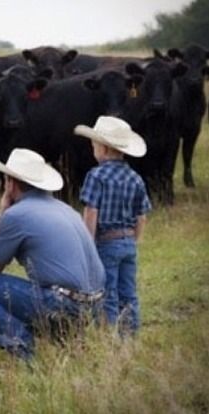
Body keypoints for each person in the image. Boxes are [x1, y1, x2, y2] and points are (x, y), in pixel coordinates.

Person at [0, 148, 105, 361]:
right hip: (95, 305)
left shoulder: (16, 215)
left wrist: (2, 214)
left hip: (62, 302)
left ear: (11, 183)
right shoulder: (67, 209)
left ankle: (22, 348)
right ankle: (69, 342)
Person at [75, 116, 152, 335]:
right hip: (128, 242)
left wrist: (88, 244)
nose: (93, 150)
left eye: (94, 145)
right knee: (128, 293)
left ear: (104, 148)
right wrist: (133, 240)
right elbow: (141, 215)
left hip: (105, 242)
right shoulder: (135, 178)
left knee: (107, 292)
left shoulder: (96, 175)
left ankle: (109, 338)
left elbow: (91, 211)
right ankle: (130, 336)